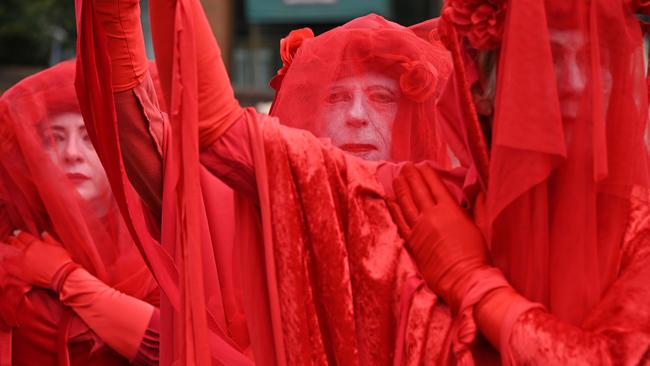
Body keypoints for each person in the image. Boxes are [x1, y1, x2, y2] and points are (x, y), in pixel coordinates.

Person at [74, 0, 474, 364]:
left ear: (411, 115)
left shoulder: (464, 208)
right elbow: (141, 137)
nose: (356, 114)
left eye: (381, 98)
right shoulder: (250, 199)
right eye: (335, 98)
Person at [391, 0, 650, 364]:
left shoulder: (640, 228)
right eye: (548, 58)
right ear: (480, 90)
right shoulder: (434, 205)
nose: (579, 84)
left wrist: (472, 282)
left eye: (594, 59)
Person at [0, 61, 160, 365]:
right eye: (55, 138)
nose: (72, 152)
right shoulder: (15, 237)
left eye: (89, 138)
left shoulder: (159, 243)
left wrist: (66, 278)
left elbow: (176, 347)